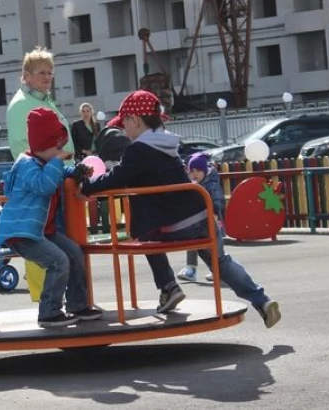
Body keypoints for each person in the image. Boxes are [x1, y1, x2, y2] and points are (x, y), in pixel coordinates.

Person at [81, 90, 281, 327]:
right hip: (202, 214)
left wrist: (87, 188)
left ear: (135, 119)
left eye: (125, 123)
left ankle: (168, 287)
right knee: (221, 262)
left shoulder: (138, 149)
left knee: (143, 234)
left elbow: (118, 177)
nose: (124, 130)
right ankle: (262, 300)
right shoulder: (167, 144)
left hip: (178, 223)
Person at [0, 108, 103, 328]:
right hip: (22, 234)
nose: (60, 151)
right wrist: (57, 162)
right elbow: (43, 185)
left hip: (42, 231)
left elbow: (59, 172)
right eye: (57, 146)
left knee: (74, 252)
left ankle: (77, 304)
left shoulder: (45, 162)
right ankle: (49, 312)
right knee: (58, 261)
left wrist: (76, 171)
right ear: (42, 145)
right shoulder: (26, 165)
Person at [6, 46, 74, 160]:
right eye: (42, 73)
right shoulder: (21, 104)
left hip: (62, 172)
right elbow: (21, 146)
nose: (47, 77)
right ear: (27, 76)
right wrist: (51, 172)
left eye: (50, 73)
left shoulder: (42, 100)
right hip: (49, 175)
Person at [178, 153, 227, 282]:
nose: (195, 174)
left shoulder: (211, 184)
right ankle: (191, 269)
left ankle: (219, 271)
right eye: (192, 171)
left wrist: (215, 212)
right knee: (192, 244)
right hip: (196, 222)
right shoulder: (191, 186)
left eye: (198, 171)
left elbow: (218, 200)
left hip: (213, 221)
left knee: (216, 248)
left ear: (205, 171)